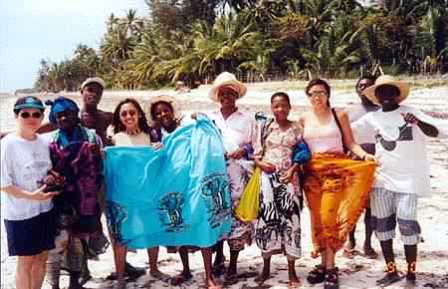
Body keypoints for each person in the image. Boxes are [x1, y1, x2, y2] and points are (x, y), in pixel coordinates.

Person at [352, 75, 447, 286]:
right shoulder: (372, 118)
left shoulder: (410, 111)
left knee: (408, 228)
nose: (386, 96)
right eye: (381, 92)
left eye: (390, 91)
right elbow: (348, 132)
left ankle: (411, 274)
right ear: (376, 96)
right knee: (383, 229)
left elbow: (436, 132)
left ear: (397, 95)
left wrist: (418, 122)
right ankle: (392, 271)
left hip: (409, 182)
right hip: (382, 180)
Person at [300, 79, 377, 289]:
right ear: (308, 95)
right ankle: (323, 263)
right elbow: (300, 149)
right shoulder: (303, 119)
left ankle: (332, 268)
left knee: (328, 217)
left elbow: (351, 143)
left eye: (322, 92)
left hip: (335, 172)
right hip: (311, 175)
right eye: (313, 92)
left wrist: (364, 155)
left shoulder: (339, 114)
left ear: (328, 94)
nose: (317, 96)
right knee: (316, 220)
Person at [147, 95, 221, 289]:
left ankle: (209, 276)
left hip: (193, 184)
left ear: (172, 111)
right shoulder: (156, 135)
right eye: (158, 113)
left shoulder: (186, 128)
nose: (163, 114)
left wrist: (201, 119)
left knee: (202, 224)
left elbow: (207, 136)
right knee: (178, 229)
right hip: (171, 189)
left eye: (165, 110)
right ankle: (186, 269)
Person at [106, 98, 168, 289]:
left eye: (132, 112)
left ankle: (155, 268)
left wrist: (160, 149)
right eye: (123, 114)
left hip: (147, 192)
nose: (128, 116)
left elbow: (161, 161)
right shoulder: (115, 138)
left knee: (152, 229)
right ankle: (121, 276)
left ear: (139, 114)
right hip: (122, 194)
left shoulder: (151, 135)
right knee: (121, 234)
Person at [44, 97, 104, 289]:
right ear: (54, 118)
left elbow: (101, 168)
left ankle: (74, 282)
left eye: (67, 114)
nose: (63, 118)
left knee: (78, 241)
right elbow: (47, 168)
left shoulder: (91, 137)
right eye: (59, 115)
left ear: (75, 114)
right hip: (61, 199)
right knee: (56, 244)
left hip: (86, 199)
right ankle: (53, 284)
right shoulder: (51, 141)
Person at [252, 92, 310, 289]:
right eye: (276, 106)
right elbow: (256, 153)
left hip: (289, 181)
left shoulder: (296, 127)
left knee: (291, 223)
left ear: (289, 107)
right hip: (267, 181)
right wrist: (261, 164)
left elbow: (304, 152)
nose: (280, 109)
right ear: (271, 108)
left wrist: (293, 169)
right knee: (266, 223)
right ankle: (266, 267)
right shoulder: (265, 127)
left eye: (284, 105)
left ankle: (292, 270)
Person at [1, 96, 58, 289]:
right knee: (25, 262)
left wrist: (54, 177)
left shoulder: (44, 141)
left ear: (42, 117)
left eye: (36, 114)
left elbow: (47, 169)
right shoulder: (8, 144)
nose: (31, 118)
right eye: (25, 114)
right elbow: (3, 183)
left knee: (41, 258)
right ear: (16, 116)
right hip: (21, 214)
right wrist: (32, 196)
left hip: (45, 210)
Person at [207, 72, 257, 284]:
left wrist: (243, 150)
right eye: (222, 93)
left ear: (236, 95)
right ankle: (219, 258)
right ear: (218, 96)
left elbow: (257, 146)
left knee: (237, 219)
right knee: (217, 216)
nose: (226, 96)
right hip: (215, 176)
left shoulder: (248, 119)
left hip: (238, 176)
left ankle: (233, 266)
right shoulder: (209, 119)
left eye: (230, 92)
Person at [344, 74, 379, 259]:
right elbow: (344, 137)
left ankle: (367, 242)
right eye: (360, 86)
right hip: (354, 163)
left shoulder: (383, 111)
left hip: (377, 164)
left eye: (367, 85)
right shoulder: (349, 113)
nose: (363, 88)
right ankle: (351, 240)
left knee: (371, 208)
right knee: (352, 205)